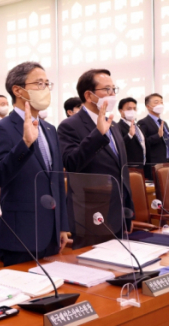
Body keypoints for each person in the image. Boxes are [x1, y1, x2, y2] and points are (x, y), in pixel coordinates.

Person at [0, 62, 69, 266]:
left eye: (47, 84)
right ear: (18, 90)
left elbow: (57, 180)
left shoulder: (50, 129)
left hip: (51, 232)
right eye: (39, 83)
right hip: (21, 232)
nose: (45, 89)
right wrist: (25, 144)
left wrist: (62, 225)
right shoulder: (2, 128)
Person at [58, 69, 133, 247]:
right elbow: (71, 163)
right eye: (107, 89)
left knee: (120, 270)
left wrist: (128, 211)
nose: (112, 94)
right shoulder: (69, 125)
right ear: (89, 95)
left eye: (114, 89)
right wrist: (98, 134)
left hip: (118, 211)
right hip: (90, 214)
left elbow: (121, 169)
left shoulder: (112, 124)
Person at [138, 93, 168, 173]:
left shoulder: (163, 123)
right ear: (148, 106)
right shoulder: (143, 122)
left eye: (161, 102)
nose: (160, 105)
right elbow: (143, 143)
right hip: (155, 163)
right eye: (156, 102)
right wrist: (157, 136)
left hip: (166, 161)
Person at [117, 97, 145, 170]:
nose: (132, 111)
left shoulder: (138, 126)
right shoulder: (117, 127)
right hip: (130, 167)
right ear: (121, 111)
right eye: (129, 109)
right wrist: (129, 135)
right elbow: (118, 146)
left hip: (143, 165)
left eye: (134, 108)